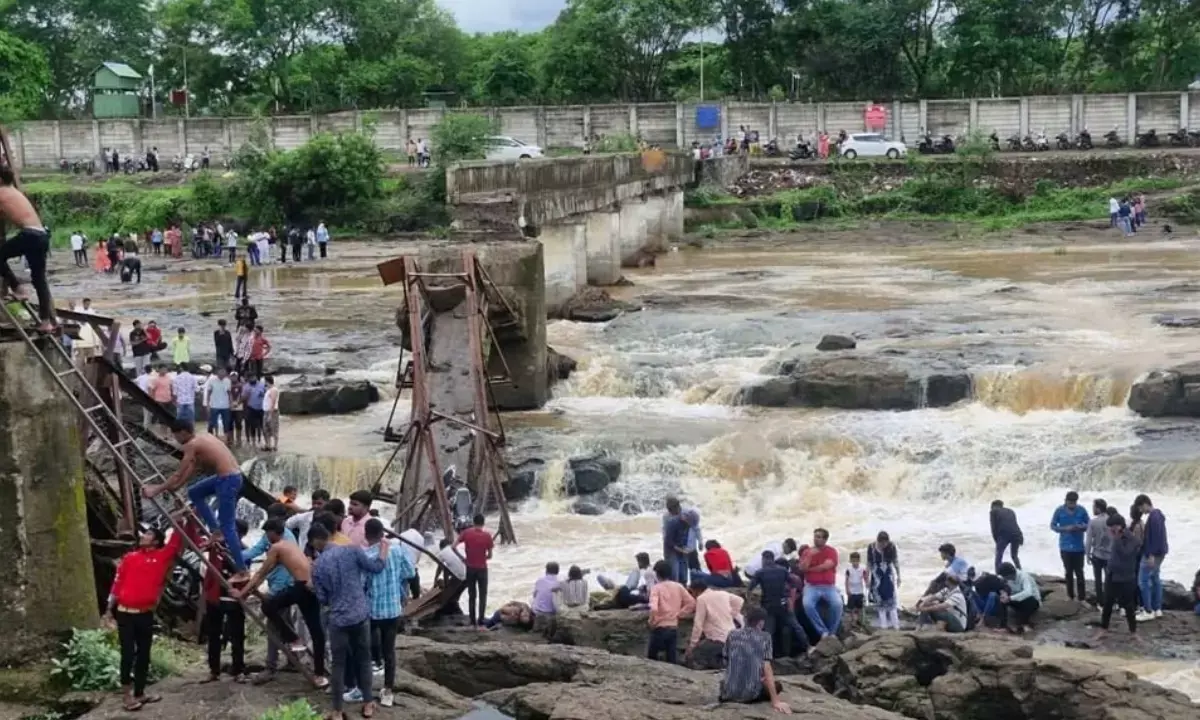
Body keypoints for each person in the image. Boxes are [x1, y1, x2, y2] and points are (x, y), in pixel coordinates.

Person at [104, 514, 188, 710]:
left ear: (157, 541)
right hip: (125, 613)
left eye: (148, 534)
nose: (143, 536)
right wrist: (109, 610)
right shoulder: (129, 557)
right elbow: (117, 584)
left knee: (144, 654)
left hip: (145, 614)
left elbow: (176, 540)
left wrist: (181, 518)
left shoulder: (161, 556)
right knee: (127, 653)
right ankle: (127, 695)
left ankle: (140, 692)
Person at [143, 419, 249, 573]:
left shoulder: (191, 445)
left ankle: (242, 570)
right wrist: (176, 487)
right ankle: (215, 530)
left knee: (228, 527)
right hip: (230, 477)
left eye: (176, 436)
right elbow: (192, 468)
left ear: (183, 433)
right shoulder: (203, 437)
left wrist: (156, 490)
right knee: (195, 492)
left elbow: (178, 473)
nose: (176, 440)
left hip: (227, 480)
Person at [232, 520, 328, 689]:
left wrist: (241, 593)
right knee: (316, 631)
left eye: (267, 535)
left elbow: (260, 574)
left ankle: (293, 638)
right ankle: (319, 673)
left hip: (301, 588)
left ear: (272, 533)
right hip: (311, 587)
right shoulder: (290, 543)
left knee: (268, 606)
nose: (266, 539)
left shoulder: (276, 548)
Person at [313, 525, 388, 719]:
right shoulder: (353, 550)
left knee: (339, 664)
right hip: (360, 614)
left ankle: (337, 711)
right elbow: (376, 568)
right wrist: (383, 551)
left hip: (338, 619)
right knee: (363, 659)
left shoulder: (318, 565)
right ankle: (368, 704)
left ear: (316, 541)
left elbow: (321, 598)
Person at [0, 164, 55, 331]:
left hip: (30, 235)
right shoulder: (14, 191)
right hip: (41, 234)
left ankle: (18, 287)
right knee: (39, 280)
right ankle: (46, 321)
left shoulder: (1, 192)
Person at [364, 519, 412, 708]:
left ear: (367, 535)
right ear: (382, 534)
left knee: (366, 649)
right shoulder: (398, 551)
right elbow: (409, 573)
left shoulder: (367, 555)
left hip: (372, 610)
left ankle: (365, 688)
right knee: (389, 651)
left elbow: (362, 582)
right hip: (392, 608)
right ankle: (388, 692)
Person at [201, 520, 249, 684]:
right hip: (215, 597)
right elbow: (200, 545)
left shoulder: (244, 551)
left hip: (234, 597)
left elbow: (245, 574)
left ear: (241, 534)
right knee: (213, 634)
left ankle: (239, 670)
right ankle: (214, 670)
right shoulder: (216, 546)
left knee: (237, 636)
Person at [718, 607, 791, 714]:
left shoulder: (732, 634)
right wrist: (775, 701)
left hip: (729, 693)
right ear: (761, 622)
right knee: (778, 686)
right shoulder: (765, 637)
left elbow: (726, 660)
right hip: (750, 695)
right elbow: (767, 668)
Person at [746, 550, 806, 656]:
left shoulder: (760, 572)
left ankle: (767, 655)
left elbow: (750, 588)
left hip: (768, 606)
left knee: (769, 631)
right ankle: (808, 647)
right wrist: (790, 597)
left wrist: (750, 602)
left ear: (764, 559)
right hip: (783, 604)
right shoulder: (782, 570)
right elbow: (794, 582)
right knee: (796, 626)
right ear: (773, 559)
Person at [1097, 513, 1141, 639]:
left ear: (1119, 526)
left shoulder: (1132, 539)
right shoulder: (1114, 536)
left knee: (1128, 606)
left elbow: (1125, 554)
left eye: (1112, 527)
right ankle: (1103, 629)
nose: (1110, 530)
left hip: (1126, 577)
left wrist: (1116, 538)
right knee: (1108, 603)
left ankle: (1133, 632)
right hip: (1112, 575)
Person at [686, 576, 744, 670]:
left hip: (718, 639)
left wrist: (692, 645)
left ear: (697, 590)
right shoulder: (722, 593)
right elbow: (740, 600)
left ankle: (720, 666)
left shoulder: (701, 599)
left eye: (692, 592)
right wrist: (732, 613)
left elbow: (698, 624)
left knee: (696, 655)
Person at [647, 559, 695, 664]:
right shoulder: (678, 586)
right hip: (673, 626)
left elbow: (654, 608)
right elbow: (691, 603)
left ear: (657, 574)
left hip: (659, 628)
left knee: (651, 658)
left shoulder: (656, 588)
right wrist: (680, 614)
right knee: (671, 658)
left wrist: (651, 622)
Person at [800, 528, 842, 639]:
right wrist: (809, 556)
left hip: (828, 586)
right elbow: (802, 568)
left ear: (825, 539)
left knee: (837, 604)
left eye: (819, 537)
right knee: (807, 604)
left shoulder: (831, 551)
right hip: (811, 586)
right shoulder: (807, 552)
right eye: (815, 536)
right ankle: (823, 632)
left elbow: (826, 566)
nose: (816, 539)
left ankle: (832, 633)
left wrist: (810, 569)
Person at [1050, 491, 1090, 602]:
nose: (1072, 505)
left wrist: (1081, 527)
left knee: (1080, 572)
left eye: (1074, 503)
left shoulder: (1082, 510)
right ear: (1066, 501)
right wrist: (1064, 529)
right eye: (1070, 502)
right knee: (1068, 572)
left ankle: (1082, 597)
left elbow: (1089, 524)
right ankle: (1070, 595)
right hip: (1065, 547)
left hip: (1079, 547)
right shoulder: (1059, 511)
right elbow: (1052, 526)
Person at [456, 513, 494, 627]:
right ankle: (481, 619)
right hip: (482, 569)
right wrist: (484, 557)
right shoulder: (487, 536)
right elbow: (490, 555)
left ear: (473, 522)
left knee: (472, 595)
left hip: (470, 568)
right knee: (483, 595)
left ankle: (472, 620)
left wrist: (463, 558)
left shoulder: (466, 533)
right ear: (483, 523)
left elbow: (453, 547)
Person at [1135, 493, 1168, 621]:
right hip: (1160, 552)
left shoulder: (1153, 517)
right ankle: (1157, 608)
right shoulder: (1158, 515)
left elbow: (1154, 538)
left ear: (1144, 504)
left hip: (1153, 553)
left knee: (1143, 581)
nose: (1140, 511)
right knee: (1155, 578)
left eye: (1140, 508)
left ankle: (1148, 611)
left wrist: (1151, 555)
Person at [868, 531, 900, 630]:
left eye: (885, 543)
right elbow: (869, 563)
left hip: (888, 574)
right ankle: (884, 626)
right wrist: (867, 577)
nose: (884, 545)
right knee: (879, 599)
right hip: (876, 574)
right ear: (878, 541)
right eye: (882, 543)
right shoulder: (871, 547)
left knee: (891, 598)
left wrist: (899, 576)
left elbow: (895, 561)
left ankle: (896, 625)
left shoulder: (891, 546)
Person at [997, 562, 1041, 633]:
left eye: (1005, 577)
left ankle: (1025, 624)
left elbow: (1028, 592)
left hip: (1032, 601)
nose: (1004, 578)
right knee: (1002, 599)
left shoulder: (1024, 576)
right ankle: (1003, 626)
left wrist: (1010, 598)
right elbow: (1001, 585)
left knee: (1029, 600)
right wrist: (1003, 592)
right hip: (1017, 600)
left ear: (1010, 575)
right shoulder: (1006, 578)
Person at [286, 489, 330, 555]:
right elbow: (285, 526)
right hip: (303, 557)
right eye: (314, 503)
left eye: (319, 503)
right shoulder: (303, 517)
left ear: (328, 503)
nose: (315, 506)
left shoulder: (332, 520)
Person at [1086, 498, 1112, 609]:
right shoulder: (1112, 520)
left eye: (1094, 507)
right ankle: (1110, 601)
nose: (1093, 509)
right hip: (1110, 555)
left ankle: (1100, 603)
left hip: (1097, 555)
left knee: (1098, 579)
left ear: (1098, 508)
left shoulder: (1093, 522)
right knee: (1109, 580)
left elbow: (1088, 540)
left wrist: (1087, 554)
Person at [661, 497, 690, 584]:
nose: (670, 512)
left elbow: (693, 529)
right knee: (674, 574)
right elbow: (667, 539)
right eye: (669, 510)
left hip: (682, 545)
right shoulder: (667, 518)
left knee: (683, 574)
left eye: (671, 510)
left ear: (677, 507)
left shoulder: (686, 514)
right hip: (671, 547)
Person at [989, 500, 1023, 572]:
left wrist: (996, 541)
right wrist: (1021, 537)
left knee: (999, 555)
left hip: (1004, 534)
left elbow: (993, 528)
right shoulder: (1011, 511)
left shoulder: (993, 512)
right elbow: (1014, 524)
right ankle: (1020, 571)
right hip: (1017, 534)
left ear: (993, 506)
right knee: (1014, 556)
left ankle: (998, 574)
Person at [531, 562, 561, 635]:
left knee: (533, 597)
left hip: (538, 610)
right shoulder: (559, 582)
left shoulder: (539, 580)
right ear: (558, 571)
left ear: (546, 570)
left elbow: (534, 595)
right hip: (551, 612)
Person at [844, 552, 869, 628]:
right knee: (851, 608)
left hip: (860, 591)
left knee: (860, 607)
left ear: (859, 560)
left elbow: (865, 578)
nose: (855, 562)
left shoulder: (862, 569)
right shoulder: (848, 570)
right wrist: (847, 590)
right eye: (853, 560)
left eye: (856, 560)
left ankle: (860, 620)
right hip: (852, 591)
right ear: (850, 561)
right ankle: (853, 621)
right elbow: (846, 580)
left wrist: (867, 583)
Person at [242, 374, 266, 446]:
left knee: (263, 426)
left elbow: (268, 394)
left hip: (261, 408)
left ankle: (264, 441)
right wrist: (246, 395)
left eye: (254, 377)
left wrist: (263, 394)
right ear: (248, 379)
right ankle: (253, 443)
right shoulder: (246, 386)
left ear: (256, 377)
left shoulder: (262, 385)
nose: (252, 379)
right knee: (252, 426)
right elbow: (243, 398)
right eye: (251, 378)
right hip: (251, 408)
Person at [262, 375, 280, 452]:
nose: (264, 382)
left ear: (267, 381)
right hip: (266, 412)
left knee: (274, 429)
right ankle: (268, 445)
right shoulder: (269, 389)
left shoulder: (274, 390)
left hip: (272, 412)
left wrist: (270, 414)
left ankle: (275, 446)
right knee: (266, 429)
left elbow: (273, 402)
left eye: (265, 381)